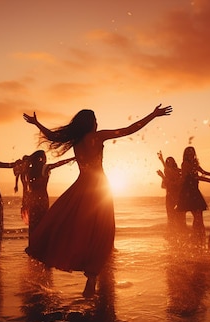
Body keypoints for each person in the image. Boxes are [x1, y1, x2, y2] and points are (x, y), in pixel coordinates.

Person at [23, 104, 172, 297]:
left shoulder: (76, 140)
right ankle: (92, 276)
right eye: (95, 120)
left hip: (81, 187)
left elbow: (53, 136)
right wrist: (153, 115)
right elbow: (128, 130)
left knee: (71, 225)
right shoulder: (97, 136)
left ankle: (58, 257)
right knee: (102, 230)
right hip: (100, 189)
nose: (97, 123)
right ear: (91, 123)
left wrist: (37, 124)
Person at [23, 150, 75, 244]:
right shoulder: (45, 168)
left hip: (32, 199)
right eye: (44, 156)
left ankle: (33, 244)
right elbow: (58, 164)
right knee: (43, 221)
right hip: (42, 198)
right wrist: (73, 158)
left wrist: (24, 203)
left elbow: (25, 185)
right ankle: (42, 244)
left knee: (33, 223)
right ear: (41, 158)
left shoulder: (29, 170)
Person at [175, 146, 210, 246]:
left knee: (199, 217)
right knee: (196, 216)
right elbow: (193, 177)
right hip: (188, 191)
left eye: (192, 152)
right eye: (188, 153)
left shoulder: (195, 163)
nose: (190, 154)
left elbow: (204, 172)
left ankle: (199, 238)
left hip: (194, 190)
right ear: (185, 154)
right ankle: (195, 238)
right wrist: (208, 180)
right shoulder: (185, 164)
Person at [156, 151, 185, 228]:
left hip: (178, 195)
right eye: (168, 161)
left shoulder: (178, 170)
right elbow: (166, 169)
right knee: (171, 214)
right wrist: (161, 159)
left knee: (179, 215)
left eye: (171, 161)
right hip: (169, 195)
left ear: (174, 162)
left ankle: (181, 231)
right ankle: (172, 232)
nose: (170, 163)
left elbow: (183, 174)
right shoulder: (167, 172)